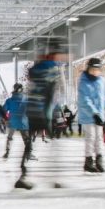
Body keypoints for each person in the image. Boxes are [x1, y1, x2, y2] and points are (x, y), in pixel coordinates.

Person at [17, 39, 65, 190]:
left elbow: (32, 77)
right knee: (54, 146)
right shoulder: (52, 68)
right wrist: (50, 113)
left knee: (29, 144)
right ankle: (54, 179)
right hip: (42, 110)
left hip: (32, 110)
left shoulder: (37, 67)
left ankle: (22, 176)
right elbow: (50, 92)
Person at [77, 58, 105, 173]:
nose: (95, 72)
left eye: (97, 70)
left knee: (99, 138)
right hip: (88, 115)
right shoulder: (83, 82)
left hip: (100, 115)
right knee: (90, 138)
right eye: (92, 69)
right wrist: (94, 113)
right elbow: (84, 100)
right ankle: (88, 162)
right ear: (88, 69)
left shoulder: (102, 81)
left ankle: (99, 160)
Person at [3, 83, 30, 161]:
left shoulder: (10, 100)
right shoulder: (25, 99)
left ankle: (7, 153)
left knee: (10, 137)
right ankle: (28, 153)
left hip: (13, 120)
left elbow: (4, 110)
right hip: (23, 121)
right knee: (26, 138)